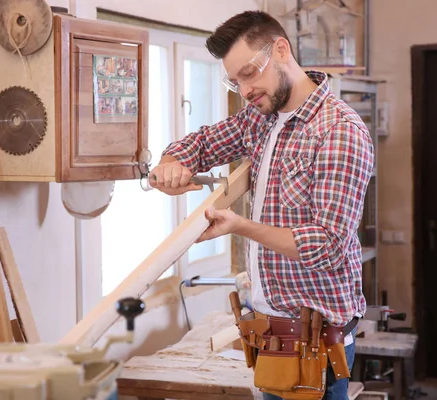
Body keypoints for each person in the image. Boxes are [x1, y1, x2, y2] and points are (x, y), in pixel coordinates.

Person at [148, 10, 374, 400]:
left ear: (281, 50)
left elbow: (327, 245)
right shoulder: (261, 118)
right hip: (268, 337)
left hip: (314, 346)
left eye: (250, 73)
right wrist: (172, 161)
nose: (245, 90)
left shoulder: (339, 130)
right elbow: (202, 143)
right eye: (235, 81)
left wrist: (239, 226)